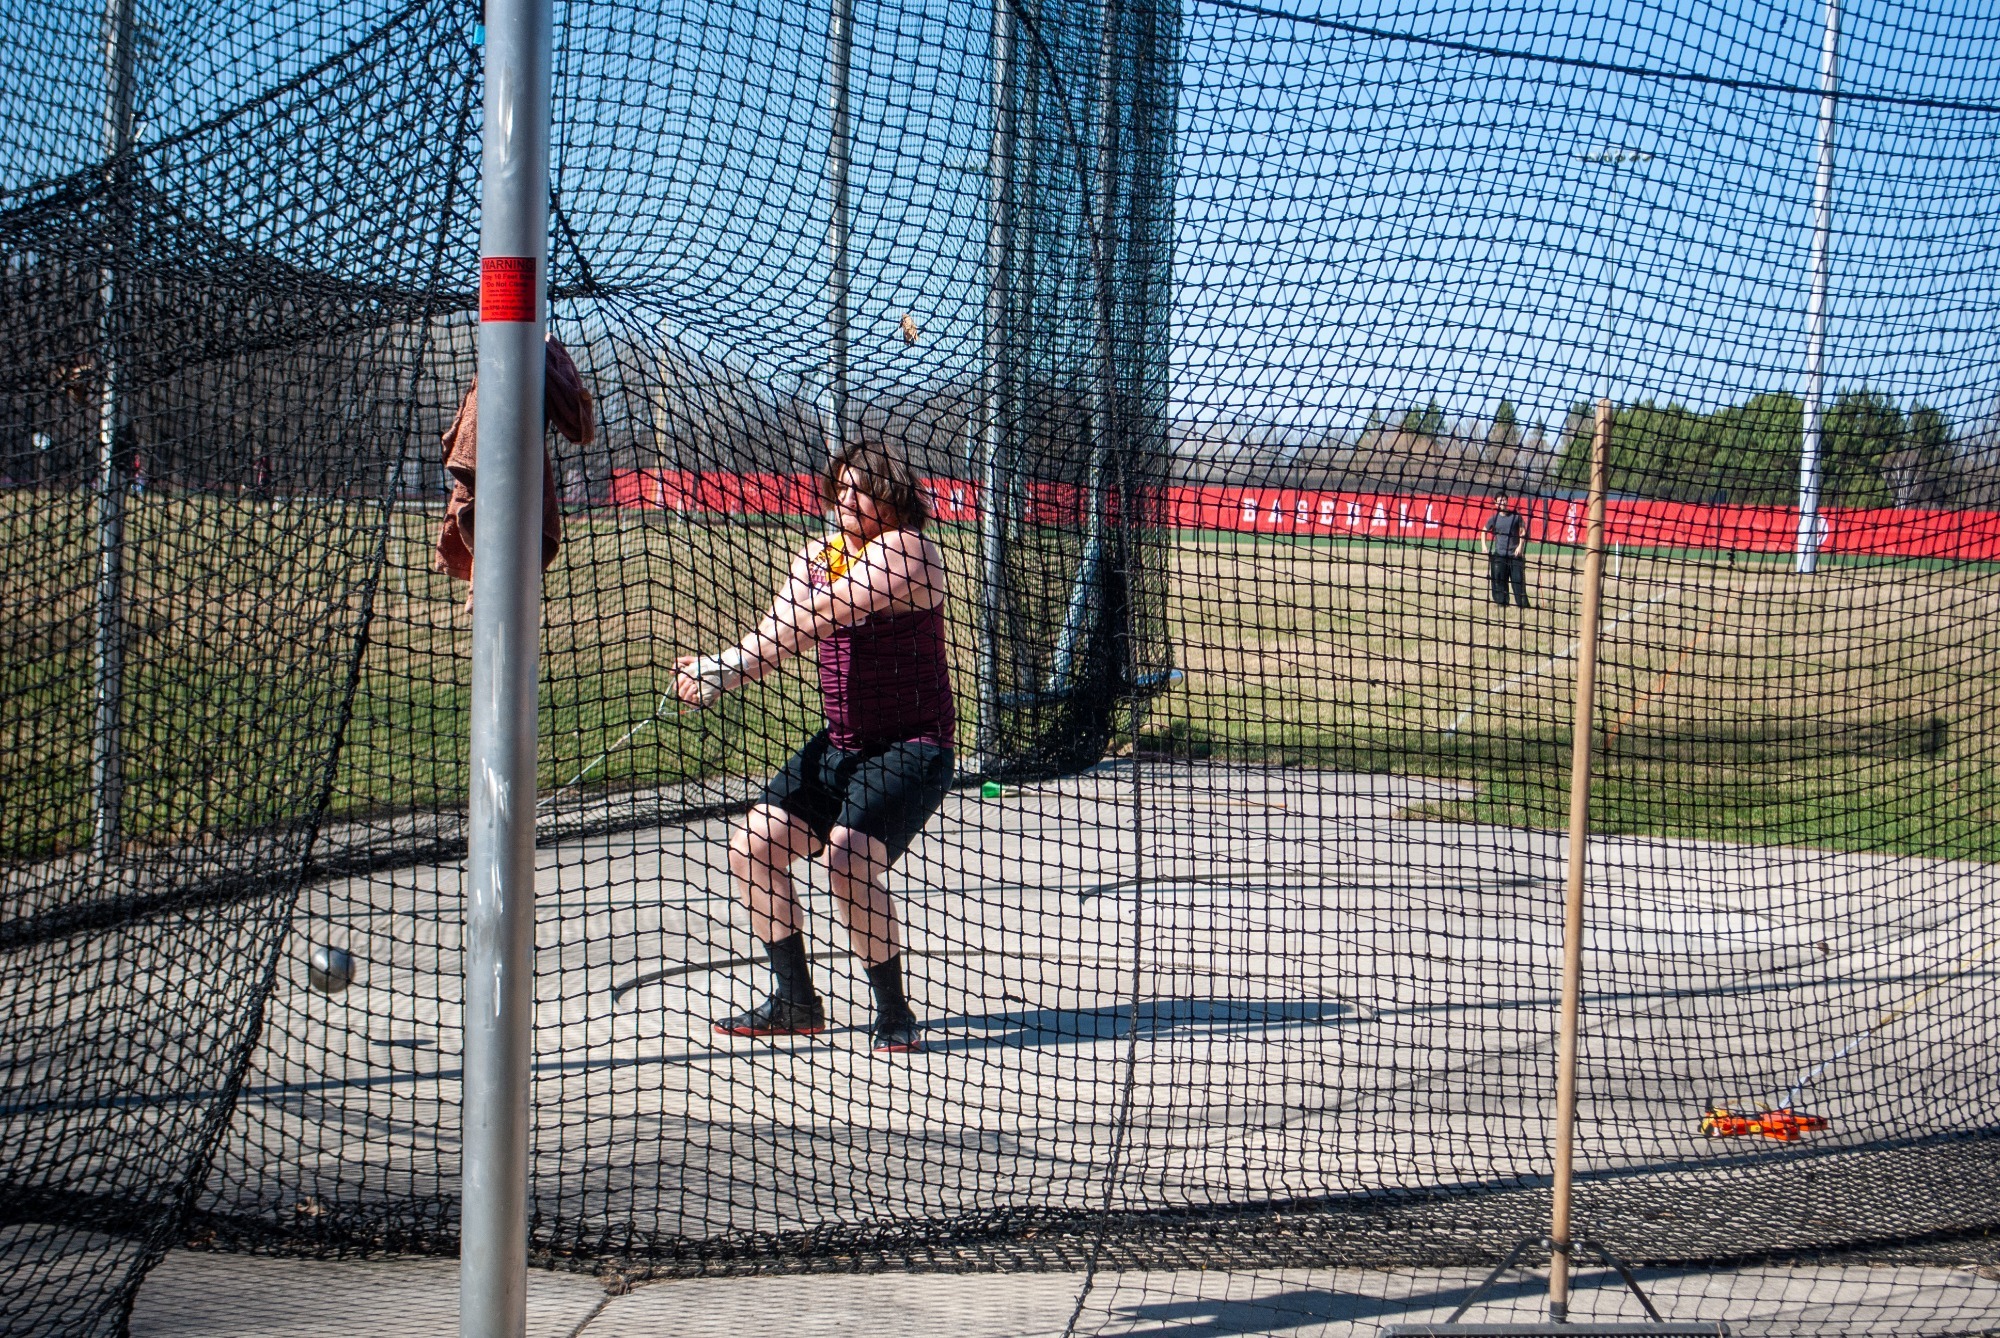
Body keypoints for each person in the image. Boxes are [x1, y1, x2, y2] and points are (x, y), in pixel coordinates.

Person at [675, 439, 954, 1053]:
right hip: (841, 746)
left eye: (864, 487)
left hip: (912, 746)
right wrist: (724, 673)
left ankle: (894, 1009)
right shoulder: (819, 554)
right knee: (752, 847)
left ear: (894, 496)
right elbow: (781, 625)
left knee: (847, 861)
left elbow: (820, 616)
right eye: (843, 486)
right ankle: (796, 1002)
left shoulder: (908, 550)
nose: (848, 497)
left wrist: (728, 662)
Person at [1483, 492, 1530, 609]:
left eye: (1504, 500)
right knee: (1499, 580)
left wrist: (1520, 547)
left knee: (1518, 581)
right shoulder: (1494, 518)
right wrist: (1484, 546)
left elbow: (1523, 532)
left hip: (1514, 555)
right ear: (1496, 503)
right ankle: (1502, 603)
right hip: (1500, 555)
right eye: (1500, 500)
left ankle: (1522, 605)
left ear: (1507, 501)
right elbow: (1483, 531)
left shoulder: (1515, 516)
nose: (1502, 502)